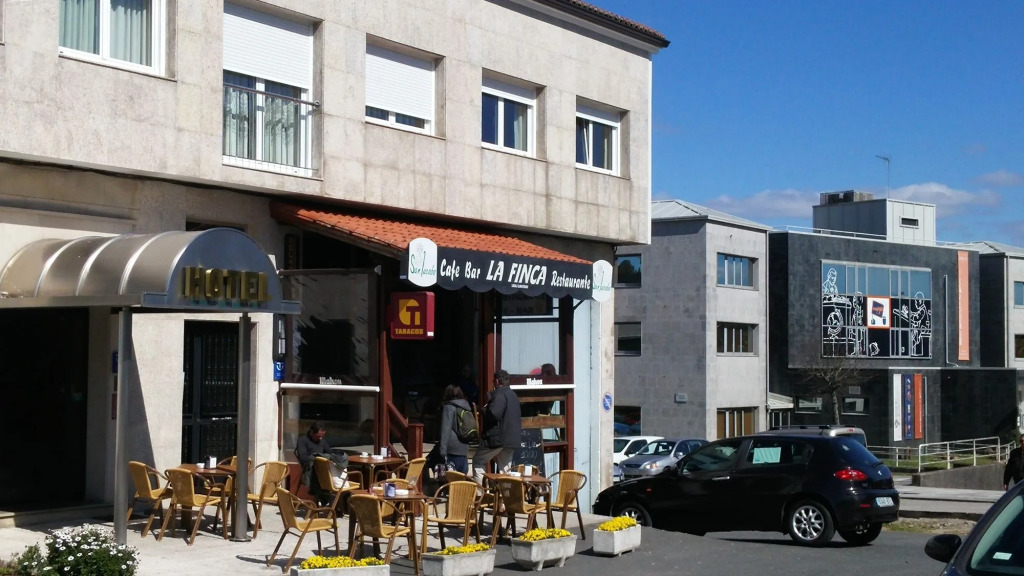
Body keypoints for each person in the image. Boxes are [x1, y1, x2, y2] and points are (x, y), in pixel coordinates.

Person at [473, 370, 522, 484]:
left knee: (478, 461)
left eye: (493, 381)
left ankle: (481, 492)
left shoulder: (499, 394)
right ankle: (505, 495)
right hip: (511, 440)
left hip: (497, 438)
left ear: (496, 381)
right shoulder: (513, 395)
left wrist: (482, 410)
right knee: (505, 471)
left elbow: (494, 414)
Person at [438, 385, 472, 475]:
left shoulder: (449, 407)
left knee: (451, 478)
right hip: (464, 447)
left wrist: (442, 450)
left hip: (452, 448)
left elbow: (445, 429)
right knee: (462, 477)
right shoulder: (466, 406)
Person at [295, 421, 331, 496]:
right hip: (310, 468)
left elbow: (329, 452)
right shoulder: (303, 440)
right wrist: (315, 460)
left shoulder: (321, 441)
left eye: (322, 436)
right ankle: (320, 495)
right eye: (318, 436)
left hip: (323, 468)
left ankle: (327, 495)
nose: (320, 438)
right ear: (311, 432)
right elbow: (303, 457)